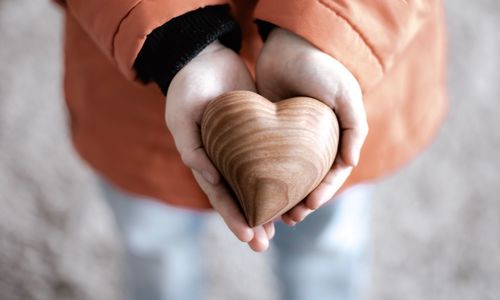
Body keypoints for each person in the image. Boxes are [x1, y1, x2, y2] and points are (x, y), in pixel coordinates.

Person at [55, 0, 447, 299]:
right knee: (154, 246)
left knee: (328, 244)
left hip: (342, 84)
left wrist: (329, 26)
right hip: (134, 89)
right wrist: (176, 35)